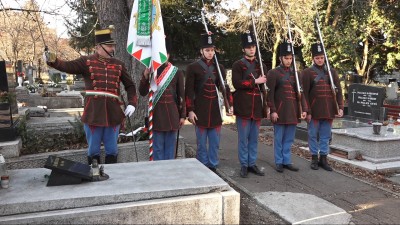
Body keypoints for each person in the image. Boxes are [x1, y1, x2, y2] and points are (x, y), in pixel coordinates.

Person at [44, 25, 137, 165]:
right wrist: (52, 59)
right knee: (93, 151)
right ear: (99, 46)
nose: (113, 49)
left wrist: (132, 103)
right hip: (93, 113)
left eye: (113, 46)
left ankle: (112, 182)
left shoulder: (119, 64)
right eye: (110, 46)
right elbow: (66, 66)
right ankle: (94, 179)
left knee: (112, 150)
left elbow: (130, 86)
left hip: (113, 114)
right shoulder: (86, 62)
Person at [185, 33, 233, 172]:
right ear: (201, 51)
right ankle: (202, 167)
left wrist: (230, 104)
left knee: (215, 143)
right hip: (200, 110)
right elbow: (189, 91)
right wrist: (190, 110)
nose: (210, 53)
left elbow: (224, 88)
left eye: (212, 50)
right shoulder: (193, 67)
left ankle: (213, 165)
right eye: (207, 50)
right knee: (201, 143)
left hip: (215, 111)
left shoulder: (220, 68)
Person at [138, 37, 186, 160]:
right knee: (157, 148)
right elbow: (142, 92)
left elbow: (181, 96)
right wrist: (145, 76)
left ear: (169, 55)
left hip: (172, 115)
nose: (163, 57)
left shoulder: (176, 72)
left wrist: (182, 115)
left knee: (170, 148)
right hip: (157, 115)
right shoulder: (150, 71)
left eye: (166, 54)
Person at [301, 42, 344, 171]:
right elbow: (304, 93)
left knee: (326, 136)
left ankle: (323, 159)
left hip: (329, 110)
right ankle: (314, 158)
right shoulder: (307, 72)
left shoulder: (332, 72)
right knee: (313, 135)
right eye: (317, 58)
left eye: (321, 58)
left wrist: (340, 107)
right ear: (313, 58)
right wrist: (307, 110)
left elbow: (339, 91)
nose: (320, 60)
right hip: (314, 110)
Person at [231, 30, 268, 178]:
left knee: (254, 139)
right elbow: (237, 83)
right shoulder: (238, 65)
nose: (251, 49)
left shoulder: (261, 65)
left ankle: (252, 163)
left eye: (253, 46)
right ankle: (244, 165)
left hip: (257, 107)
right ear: (243, 49)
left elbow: (265, 87)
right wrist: (255, 81)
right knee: (243, 139)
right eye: (248, 47)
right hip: (243, 106)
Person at [267, 42, 307, 173]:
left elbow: (301, 94)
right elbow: (270, 94)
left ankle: (287, 160)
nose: (289, 61)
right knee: (279, 138)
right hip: (280, 111)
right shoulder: (273, 73)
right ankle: (279, 161)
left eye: (290, 58)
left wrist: (304, 109)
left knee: (289, 139)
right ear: (280, 58)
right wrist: (273, 110)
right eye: (286, 58)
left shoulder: (296, 74)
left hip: (293, 111)